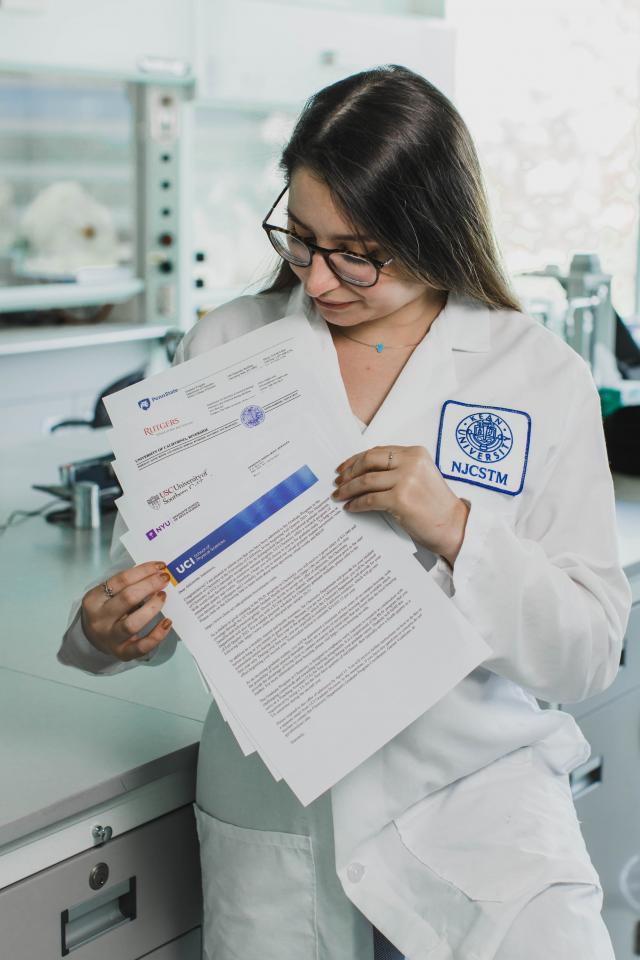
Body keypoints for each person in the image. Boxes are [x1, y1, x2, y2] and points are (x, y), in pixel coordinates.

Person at [58, 65, 632, 959]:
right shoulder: (229, 342)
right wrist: (110, 629)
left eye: (356, 252)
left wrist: (454, 526)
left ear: (433, 230)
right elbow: (184, 587)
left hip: (479, 822)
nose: (320, 281)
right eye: (300, 239)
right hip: (282, 825)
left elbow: (590, 653)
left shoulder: (532, 372)